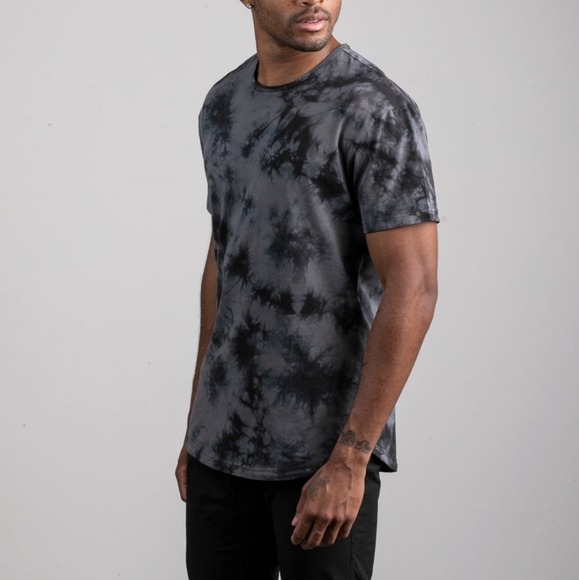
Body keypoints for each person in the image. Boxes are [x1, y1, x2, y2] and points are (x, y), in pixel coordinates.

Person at [175, 0, 439, 578]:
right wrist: (200, 423)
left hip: (325, 452)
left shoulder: (374, 108)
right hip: (223, 444)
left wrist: (352, 456)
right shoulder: (222, 104)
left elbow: (414, 286)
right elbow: (225, 257)